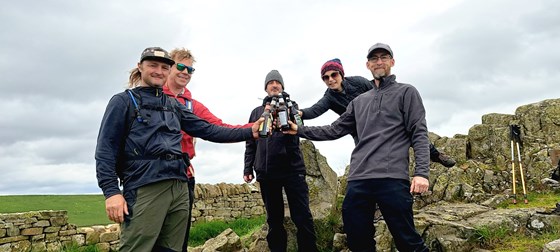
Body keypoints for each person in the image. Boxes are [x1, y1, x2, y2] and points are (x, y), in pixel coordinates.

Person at [95, 47, 263, 252]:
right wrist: (111, 192)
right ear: (140, 67)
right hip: (145, 184)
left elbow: (209, 129)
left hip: (179, 185)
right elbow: (106, 149)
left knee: (173, 249)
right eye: (152, 65)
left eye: (164, 67)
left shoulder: (174, 105)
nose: (159, 71)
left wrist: (251, 131)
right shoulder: (123, 101)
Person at [284, 43, 429, 251]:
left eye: (384, 57)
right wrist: (298, 129)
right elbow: (333, 130)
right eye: (374, 59)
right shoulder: (359, 102)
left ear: (392, 62)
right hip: (359, 179)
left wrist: (421, 173)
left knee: (408, 241)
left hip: (392, 177)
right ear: (368, 65)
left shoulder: (407, 92)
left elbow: (419, 132)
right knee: (357, 241)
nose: (379, 62)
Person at [162, 47, 252, 250]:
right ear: (169, 67)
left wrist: (253, 127)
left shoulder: (193, 106)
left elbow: (219, 127)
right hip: (151, 176)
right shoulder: (152, 96)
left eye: (190, 70)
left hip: (183, 175)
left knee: (178, 241)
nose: (186, 72)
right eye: (181, 67)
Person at [299, 58, 456, 168]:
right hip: (359, 129)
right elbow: (315, 110)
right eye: (326, 78)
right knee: (365, 158)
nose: (330, 79)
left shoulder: (358, 82)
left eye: (334, 75)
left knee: (408, 131)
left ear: (341, 74)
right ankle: (373, 203)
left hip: (379, 118)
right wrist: (300, 113)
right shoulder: (329, 97)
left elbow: (378, 92)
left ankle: (435, 155)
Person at [244, 70, 318, 252]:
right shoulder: (256, 112)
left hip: (293, 170)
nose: (274, 85)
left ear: (283, 86)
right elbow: (250, 142)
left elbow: (301, 129)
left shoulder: (293, 106)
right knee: (274, 221)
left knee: (302, 217)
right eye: (271, 83)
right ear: (266, 87)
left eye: (278, 82)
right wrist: (248, 168)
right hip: (266, 173)